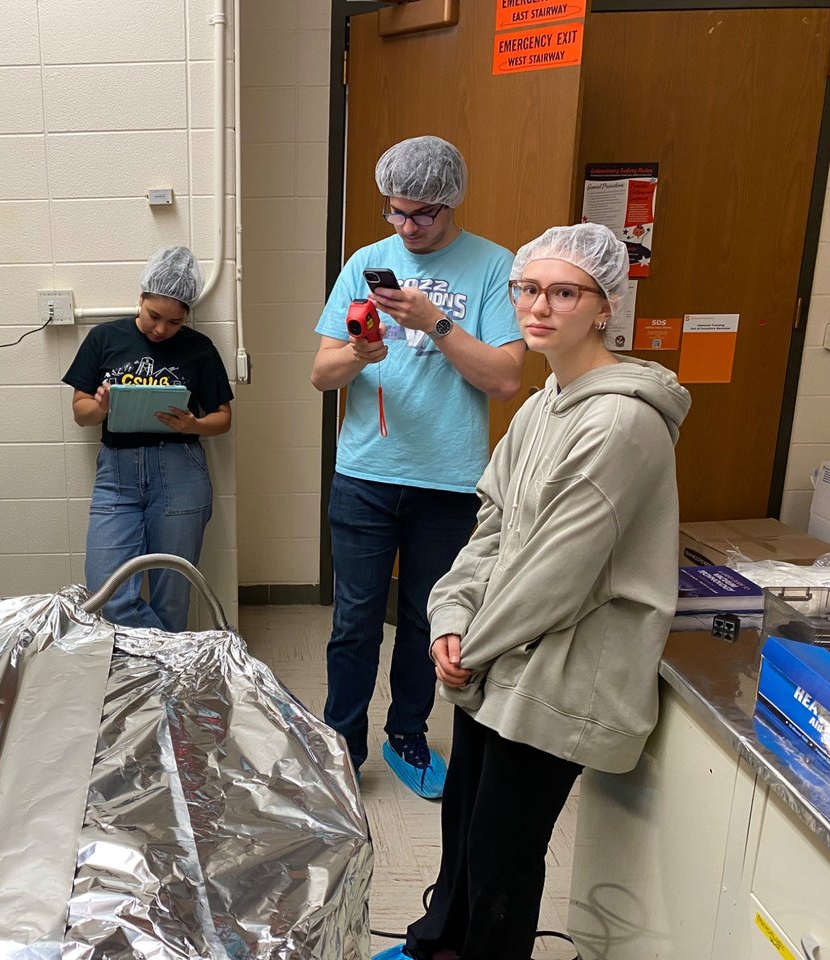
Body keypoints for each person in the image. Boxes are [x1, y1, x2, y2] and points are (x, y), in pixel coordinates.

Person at [395, 224, 690, 960]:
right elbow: (489, 529)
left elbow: (558, 574)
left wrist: (473, 649)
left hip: (566, 668)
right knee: (463, 821)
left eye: (564, 292)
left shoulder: (621, 420)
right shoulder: (542, 404)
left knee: (503, 852)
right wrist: (450, 620)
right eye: (528, 289)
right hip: (501, 651)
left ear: (604, 306)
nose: (539, 306)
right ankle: (440, 944)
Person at [311, 135, 526, 796]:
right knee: (353, 623)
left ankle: (406, 734)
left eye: (421, 215)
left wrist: (435, 322)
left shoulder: (494, 267)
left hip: (449, 480)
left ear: (451, 203)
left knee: (429, 621)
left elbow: (506, 378)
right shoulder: (367, 262)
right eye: (395, 212)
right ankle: (340, 746)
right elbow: (322, 373)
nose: (406, 227)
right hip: (366, 475)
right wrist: (360, 357)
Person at [63, 245, 234, 632]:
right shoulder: (105, 338)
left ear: (186, 316)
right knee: (106, 595)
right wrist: (103, 406)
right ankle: (159, 657)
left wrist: (194, 424)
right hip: (117, 476)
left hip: (180, 472)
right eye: (154, 315)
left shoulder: (199, 349)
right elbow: (80, 413)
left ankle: (161, 688)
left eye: (173, 322)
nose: (161, 329)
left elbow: (223, 419)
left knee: (172, 596)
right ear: (140, 298)